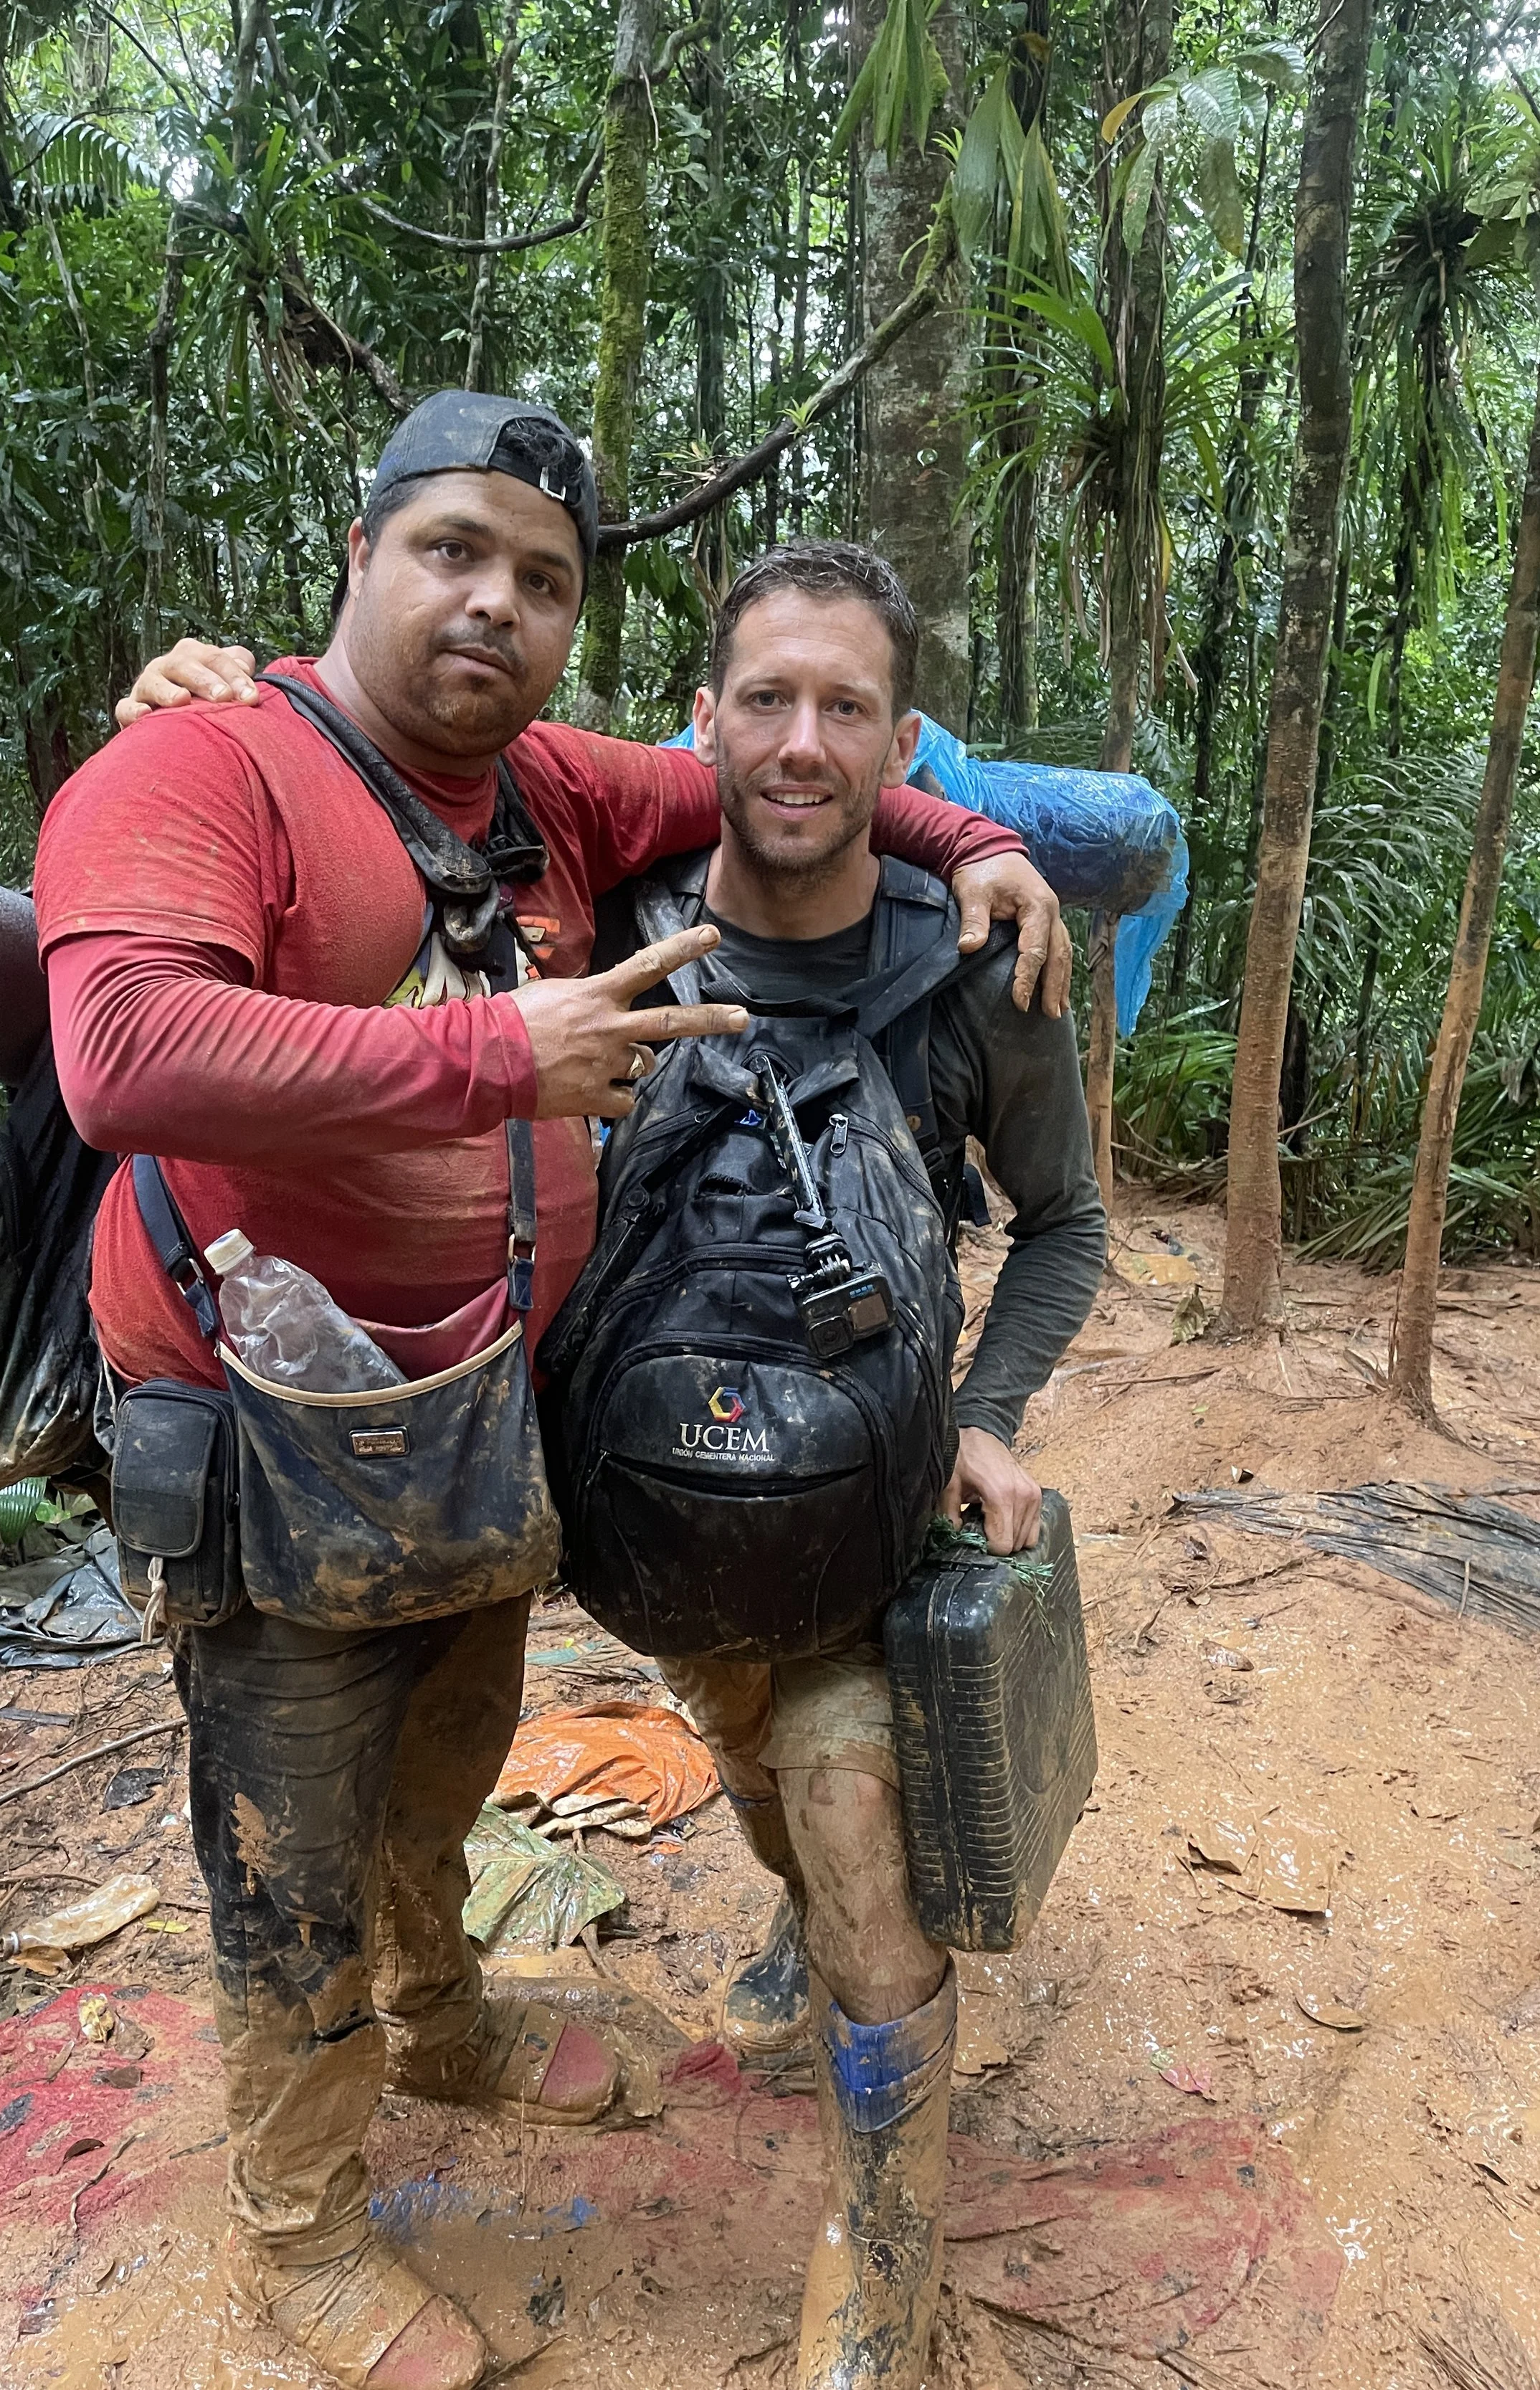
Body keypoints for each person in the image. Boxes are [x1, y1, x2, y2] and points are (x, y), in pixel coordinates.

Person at [39, 392, 1070, 2390]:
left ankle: (448, 2027)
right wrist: (490, 1056)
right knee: (290, 1849)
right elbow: (124, 1052)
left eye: (541, 576)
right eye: (449, 550)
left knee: (450, 1746)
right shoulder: (205, 763)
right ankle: (297, 2225)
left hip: (479, 1411)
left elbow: (791, 777)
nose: (491, 602)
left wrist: (985, 835)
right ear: (355, 557)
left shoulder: (546, 793)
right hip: (253, 1433)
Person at [574, 539, 1107, 2388]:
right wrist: (222, 698)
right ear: (704, 715)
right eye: (768, 698)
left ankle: (884, 2240)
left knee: (861, 1829)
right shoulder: (604, 920)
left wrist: (986, 1415)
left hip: (873, 1510)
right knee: (749, 1759)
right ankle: (809, 1937)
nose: (802, 743)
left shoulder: (980, 958)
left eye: (848, 708)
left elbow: (1066, 1227)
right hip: (650, 1527)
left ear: (902, 747)